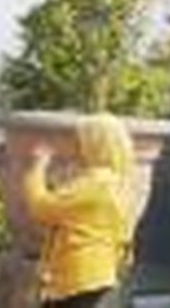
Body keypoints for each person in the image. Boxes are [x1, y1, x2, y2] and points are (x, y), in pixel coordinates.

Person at [23, 113, 135, 308]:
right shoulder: (118, 183)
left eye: (79, 139)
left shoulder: (95, 184)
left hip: (79, 278)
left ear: (94, 145)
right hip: (102, 274)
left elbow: (40, 207)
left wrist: (37, 167)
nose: (75, 144)